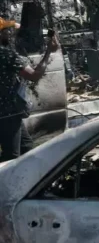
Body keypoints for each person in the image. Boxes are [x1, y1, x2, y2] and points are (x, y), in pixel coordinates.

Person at [0, 17, 59, 162]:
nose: (10, 33)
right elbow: (34, 76)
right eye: (6, 30)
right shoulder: (5, 54)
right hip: (7, 113)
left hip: (8, 112)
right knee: (11, 156)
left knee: (26, 146)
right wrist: (48, 52)